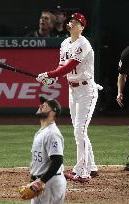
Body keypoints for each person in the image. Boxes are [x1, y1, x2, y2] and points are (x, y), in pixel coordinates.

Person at [36, 12, 103, 182]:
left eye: (76, 22)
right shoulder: (65, 43)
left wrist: (49, 74)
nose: (72, 23)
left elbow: (70, 66)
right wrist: (50, 78)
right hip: (73, 90)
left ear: (81, 27)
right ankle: (92, 166)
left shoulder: (83, 43)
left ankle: (82, 172)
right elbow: (61, 66)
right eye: (71, 21)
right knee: (79, 130)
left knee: (79, 130)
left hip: (86, 90)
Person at [29, 96, 67, 204]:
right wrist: (34, 178)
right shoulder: (43, 131)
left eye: (44, 105)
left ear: (53, 112)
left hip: (49, 184)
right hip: (42, 182)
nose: (40, 106)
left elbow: (58, 160)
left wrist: (41, 181)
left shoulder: (52, 133)